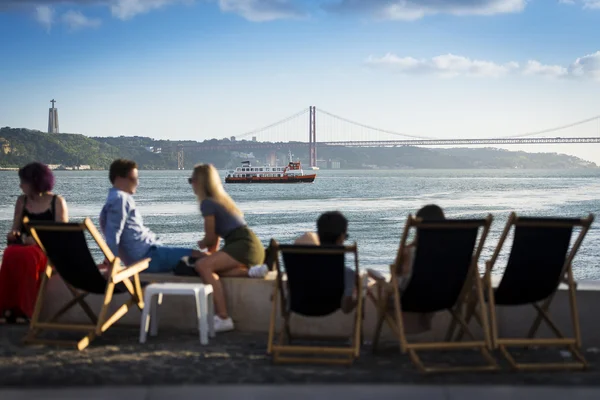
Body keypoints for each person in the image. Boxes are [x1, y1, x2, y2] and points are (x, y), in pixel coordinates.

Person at [189, 164, 266, 333]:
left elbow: (210, 238)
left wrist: (202, 244)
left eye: (191, 180)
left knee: (202, 266)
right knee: (211, 269)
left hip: (242, 245)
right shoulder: (221, 201)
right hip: (253, 246)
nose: (191, 185)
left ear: (199, 182)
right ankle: (251, 272)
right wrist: (210, 253)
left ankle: (223, 317)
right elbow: (215, 241)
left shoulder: (207, 204)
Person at [99, 159, 203, 272]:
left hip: (147, 253)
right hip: (148, 256)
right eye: (133, 179)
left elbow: (113, 233)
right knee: (201, 256)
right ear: (119, 178)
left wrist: (107, 260)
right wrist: (111, 265)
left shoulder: (111, 201)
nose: (137, 183)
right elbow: (113, 235)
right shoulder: (121, 199)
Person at [0, 162, 68, 323]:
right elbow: (15, 228)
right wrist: (14, 234)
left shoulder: (56, 202)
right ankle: (6, 308)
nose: (21, 185)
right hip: (24, 247)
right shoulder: (22, 201)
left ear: (36, 182)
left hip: (49, 251)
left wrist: (38, 239)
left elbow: (63, 236)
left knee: (29, 256)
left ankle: (25, 310)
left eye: (24, 181)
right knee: (9, 252)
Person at [294, 211, 356, 314]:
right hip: (328, 310)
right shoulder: (346, 273)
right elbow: (346, 308)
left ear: (318, 235)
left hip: (298, 307)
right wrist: (361, 296)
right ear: (341, 238)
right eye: (346, 236)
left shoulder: (301, 269)